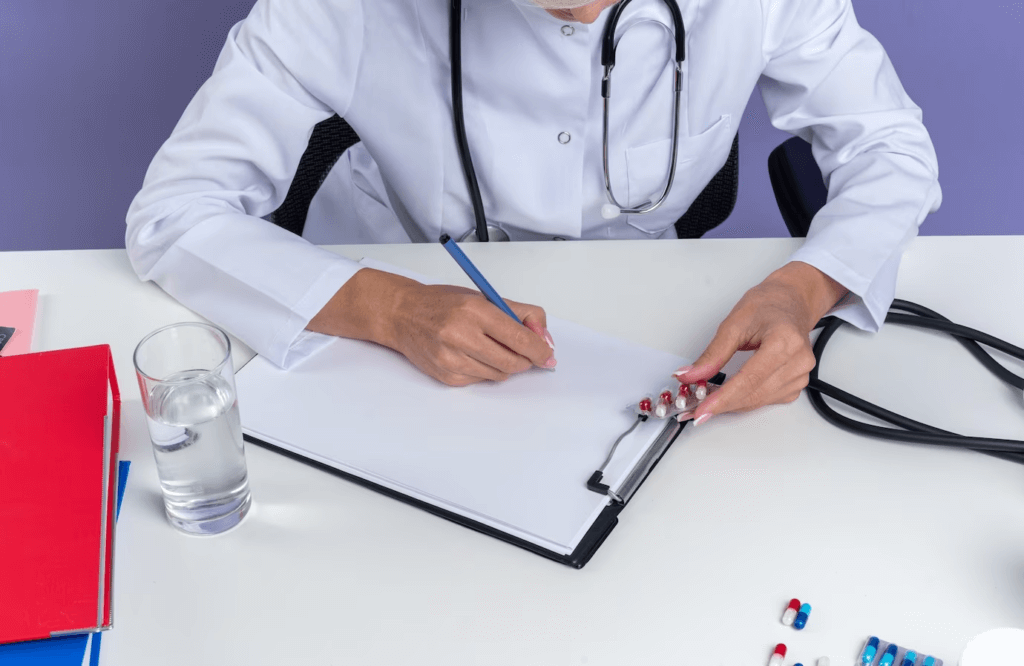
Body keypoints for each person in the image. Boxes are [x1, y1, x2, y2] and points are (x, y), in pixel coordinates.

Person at [125, 0, 941, 426]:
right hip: (386, 322)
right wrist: (390, 307)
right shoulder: (344, 7)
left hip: (656, 323)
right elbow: (172, 214)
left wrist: (801, 291)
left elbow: (890, 146)